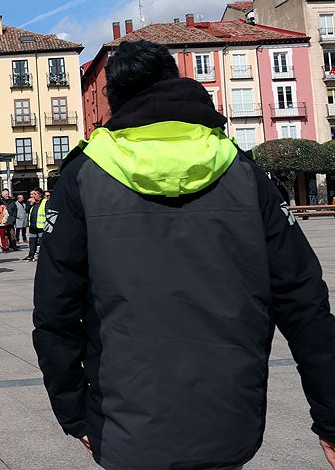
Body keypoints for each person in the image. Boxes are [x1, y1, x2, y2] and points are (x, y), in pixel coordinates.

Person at [32, 39, 335, 470]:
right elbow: (305, 303)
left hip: (123, 421)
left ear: (112, 103)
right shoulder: (243, 170)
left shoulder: (83, 174)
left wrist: (74, 412)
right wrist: (331, 419)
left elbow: (54, 311)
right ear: (174, 84)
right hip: (231, 417)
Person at [23, 188, 46, 262]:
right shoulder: (32, 202)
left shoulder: (45, 202)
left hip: (41, 226)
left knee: (43, 242)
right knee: (32, 242)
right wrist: (30, 204)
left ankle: (44, 255)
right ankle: (31, 255)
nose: (33, 196)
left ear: (40, 195)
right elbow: (26, 210)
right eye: (32, 194)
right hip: (32, 226)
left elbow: (49, 213)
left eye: (35, 194)